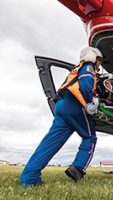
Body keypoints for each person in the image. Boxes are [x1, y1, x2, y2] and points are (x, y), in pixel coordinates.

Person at [20, 47, 103, 187]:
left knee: (50, 143)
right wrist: (90, 102)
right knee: (90, 138)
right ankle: (77, 169)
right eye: (99, 61)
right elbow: (85, 84)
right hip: (75, 106)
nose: (99, 65)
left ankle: (29, 177)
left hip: (61, 105)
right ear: (92, 57)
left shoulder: (76, 69)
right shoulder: (88, 67)